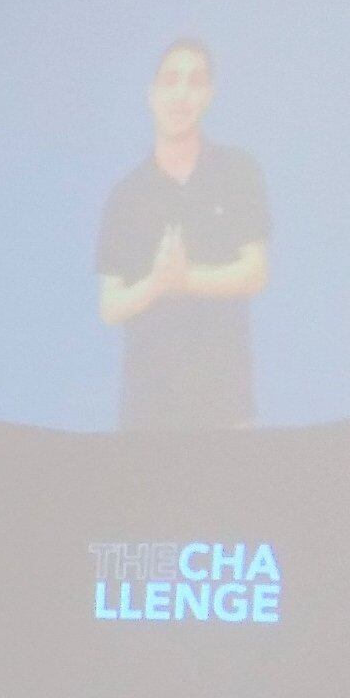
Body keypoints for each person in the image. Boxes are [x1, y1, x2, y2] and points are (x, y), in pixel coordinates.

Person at [97, 37, 269, 431]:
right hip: (147, 414)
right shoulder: (126, 196)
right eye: (171, 80)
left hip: (226, 408)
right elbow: (110, 305)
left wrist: (186, 279)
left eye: (195, 82)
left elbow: (255, 272)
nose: (181, 94)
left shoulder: (238, 172)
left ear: (209, 94)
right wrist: (156, 284)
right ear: (152, 94)